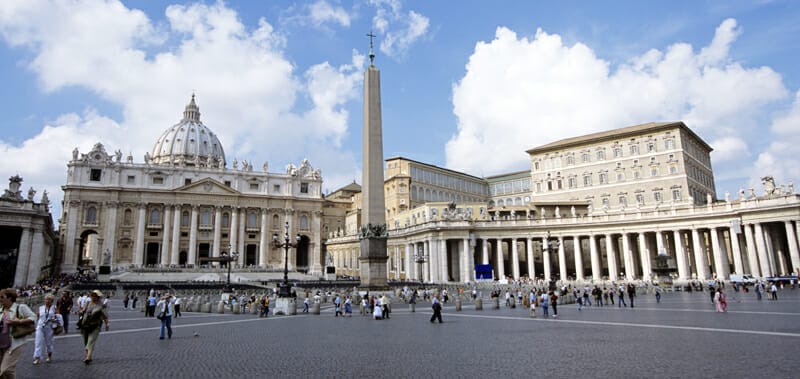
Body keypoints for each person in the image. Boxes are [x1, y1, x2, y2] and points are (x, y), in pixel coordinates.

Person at [1, 288, 37, 378]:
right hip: (0, 344)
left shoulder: (20, 307)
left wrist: (19, 322)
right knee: (7, 372)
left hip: (14, 344)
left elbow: (34, 317)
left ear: (10, 298)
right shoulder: (0, 309)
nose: (0, 299)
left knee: (6, 369)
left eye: (2, 297)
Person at [79, 290, 109, 364]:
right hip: (85, 324)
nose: (93, 297)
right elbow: (83, 310)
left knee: (91, 341)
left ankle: (88, 357)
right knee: (86, 341)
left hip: (96, 325)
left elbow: (105, 316)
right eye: (92, 296)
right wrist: (81, 311)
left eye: (95, 296)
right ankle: (88, 356)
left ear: (98, 297)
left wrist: (107, 324)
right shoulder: (88, 303)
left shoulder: (101, 305)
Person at [33, 294, 62, 364]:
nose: (47, 301)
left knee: (49, 343)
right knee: (38, 342)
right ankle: (37, 358)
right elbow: (37, 316)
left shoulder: (54, 308)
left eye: (49, 300)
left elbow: (59, 318)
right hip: (40, 326)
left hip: (49, 327)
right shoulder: (41, 308)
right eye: (46, 299)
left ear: (52, 301)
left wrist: (54, 320)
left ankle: (49, 356)